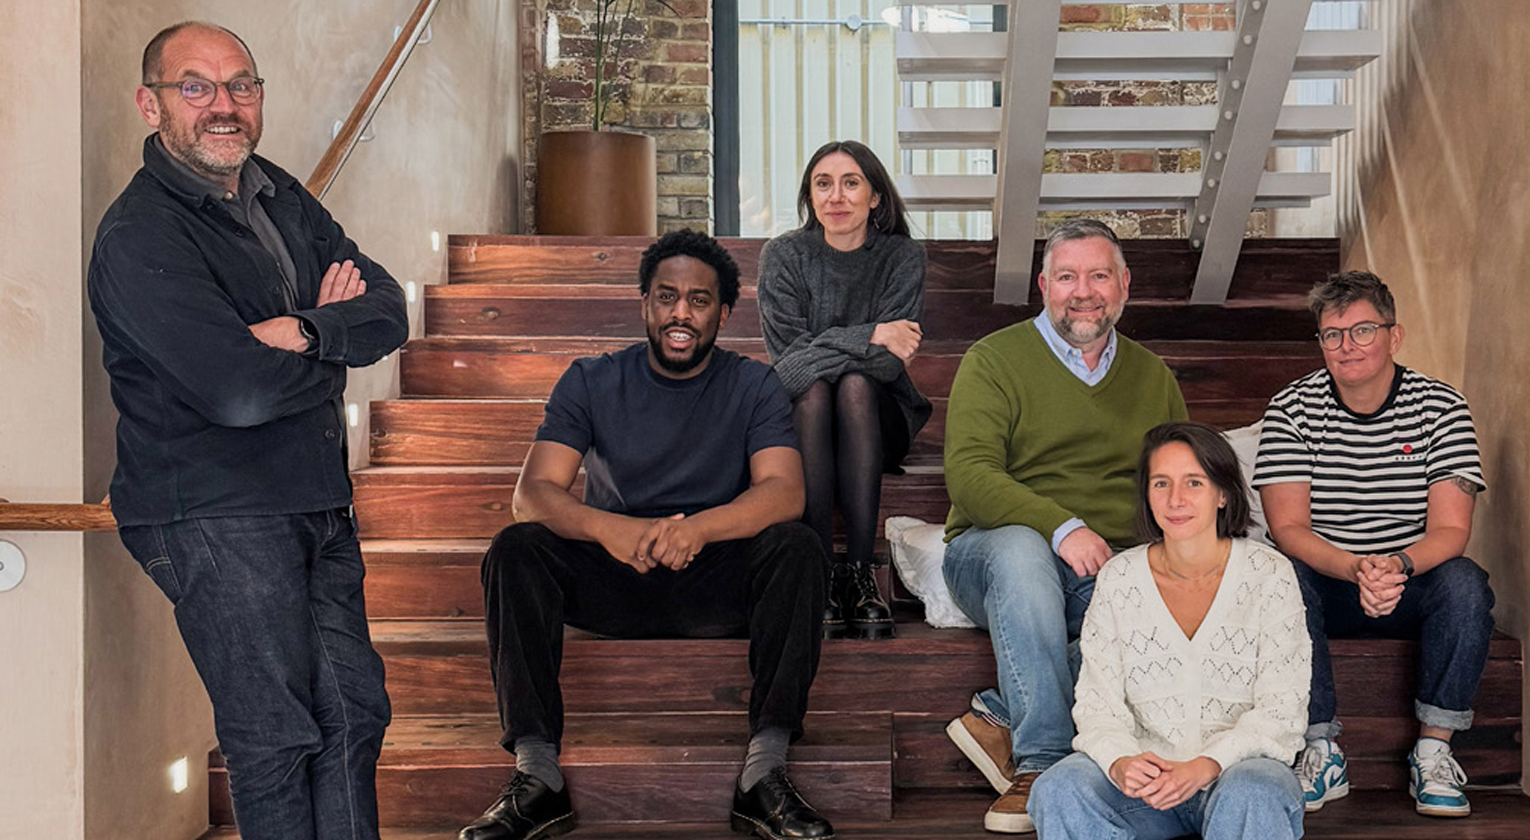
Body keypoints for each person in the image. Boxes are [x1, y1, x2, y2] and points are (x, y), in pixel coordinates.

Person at [87, 21, 408, 840]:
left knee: (354, 716)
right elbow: (234, 391)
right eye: (195, 86)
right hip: (213, 514)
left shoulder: (278, 193)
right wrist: (331, 335)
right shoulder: (140, 234)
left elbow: (387, 309)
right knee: (275, 737)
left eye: (241, 86)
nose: (223, 106)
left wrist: (299, 331)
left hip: (313, 503)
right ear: (150, 104)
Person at [460, 230, 833, 840]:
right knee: (516, 548)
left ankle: (763, 773)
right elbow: (532, 495)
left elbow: (784, 492)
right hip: (617, 579)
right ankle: (538, 776)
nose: (681, 312)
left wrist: (703, 530)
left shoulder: (753, 384)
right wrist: (610, 529)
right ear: (644, 304)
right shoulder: (591, 380)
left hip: (717, 581)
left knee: (799, 547)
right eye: (667, 296)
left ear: (723, 312)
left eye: (699, 300)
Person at [941, 218, 1190, 833]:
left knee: (1163, 612)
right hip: (994, 553)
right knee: (1025, 553)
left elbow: (1181, 477)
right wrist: (1061, 528)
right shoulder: (995, 359)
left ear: (1124, 285)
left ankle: (999, 714)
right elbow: (969, 475)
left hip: (1107, 569)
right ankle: (1041, 762)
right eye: (1068, 276)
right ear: (1044, 285)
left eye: (1099, 275)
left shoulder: (1153, 375)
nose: (1084, 291)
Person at [1253, 271, 1494, 818]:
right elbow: (1288, 529)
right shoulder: (1291, 408)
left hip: (1409, 582)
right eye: (1332, 335)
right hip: (1326, 583)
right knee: (1277, 574)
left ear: (1394, 335)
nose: (1347, 346)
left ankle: (1433, 751)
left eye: (1363, 331)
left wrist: (1395, 566)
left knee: (1466, 584)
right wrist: (1357, 567)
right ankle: (1320, 749)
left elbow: (1452, 531)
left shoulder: (1442, 406)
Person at [1029, 422, 1311, 840]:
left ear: (1223, 494)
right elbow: (1097, 705)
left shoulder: (1269, 575)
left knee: (1254, 792)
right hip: (1145, 787)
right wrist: (1120, 761)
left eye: (1194, 482)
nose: (1176, 500)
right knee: (1057, 789)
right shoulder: (1120, 578)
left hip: (1236, 775)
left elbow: (1281, 713)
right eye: (1161, 483)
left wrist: (1205, 765)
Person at [759, 139, 931, 640]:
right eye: (823, 183)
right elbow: (787, 371)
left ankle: (858, 573)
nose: (837, 196)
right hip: (808, 422)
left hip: (882, 419)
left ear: (875, 196)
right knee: (812, 391)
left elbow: (885, 364)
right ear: (811, 197)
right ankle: (818, 572)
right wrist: (871, 332)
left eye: (851, 182)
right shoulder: (785, 256)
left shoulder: (901, 257)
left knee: (855, 384)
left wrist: (858, 347)